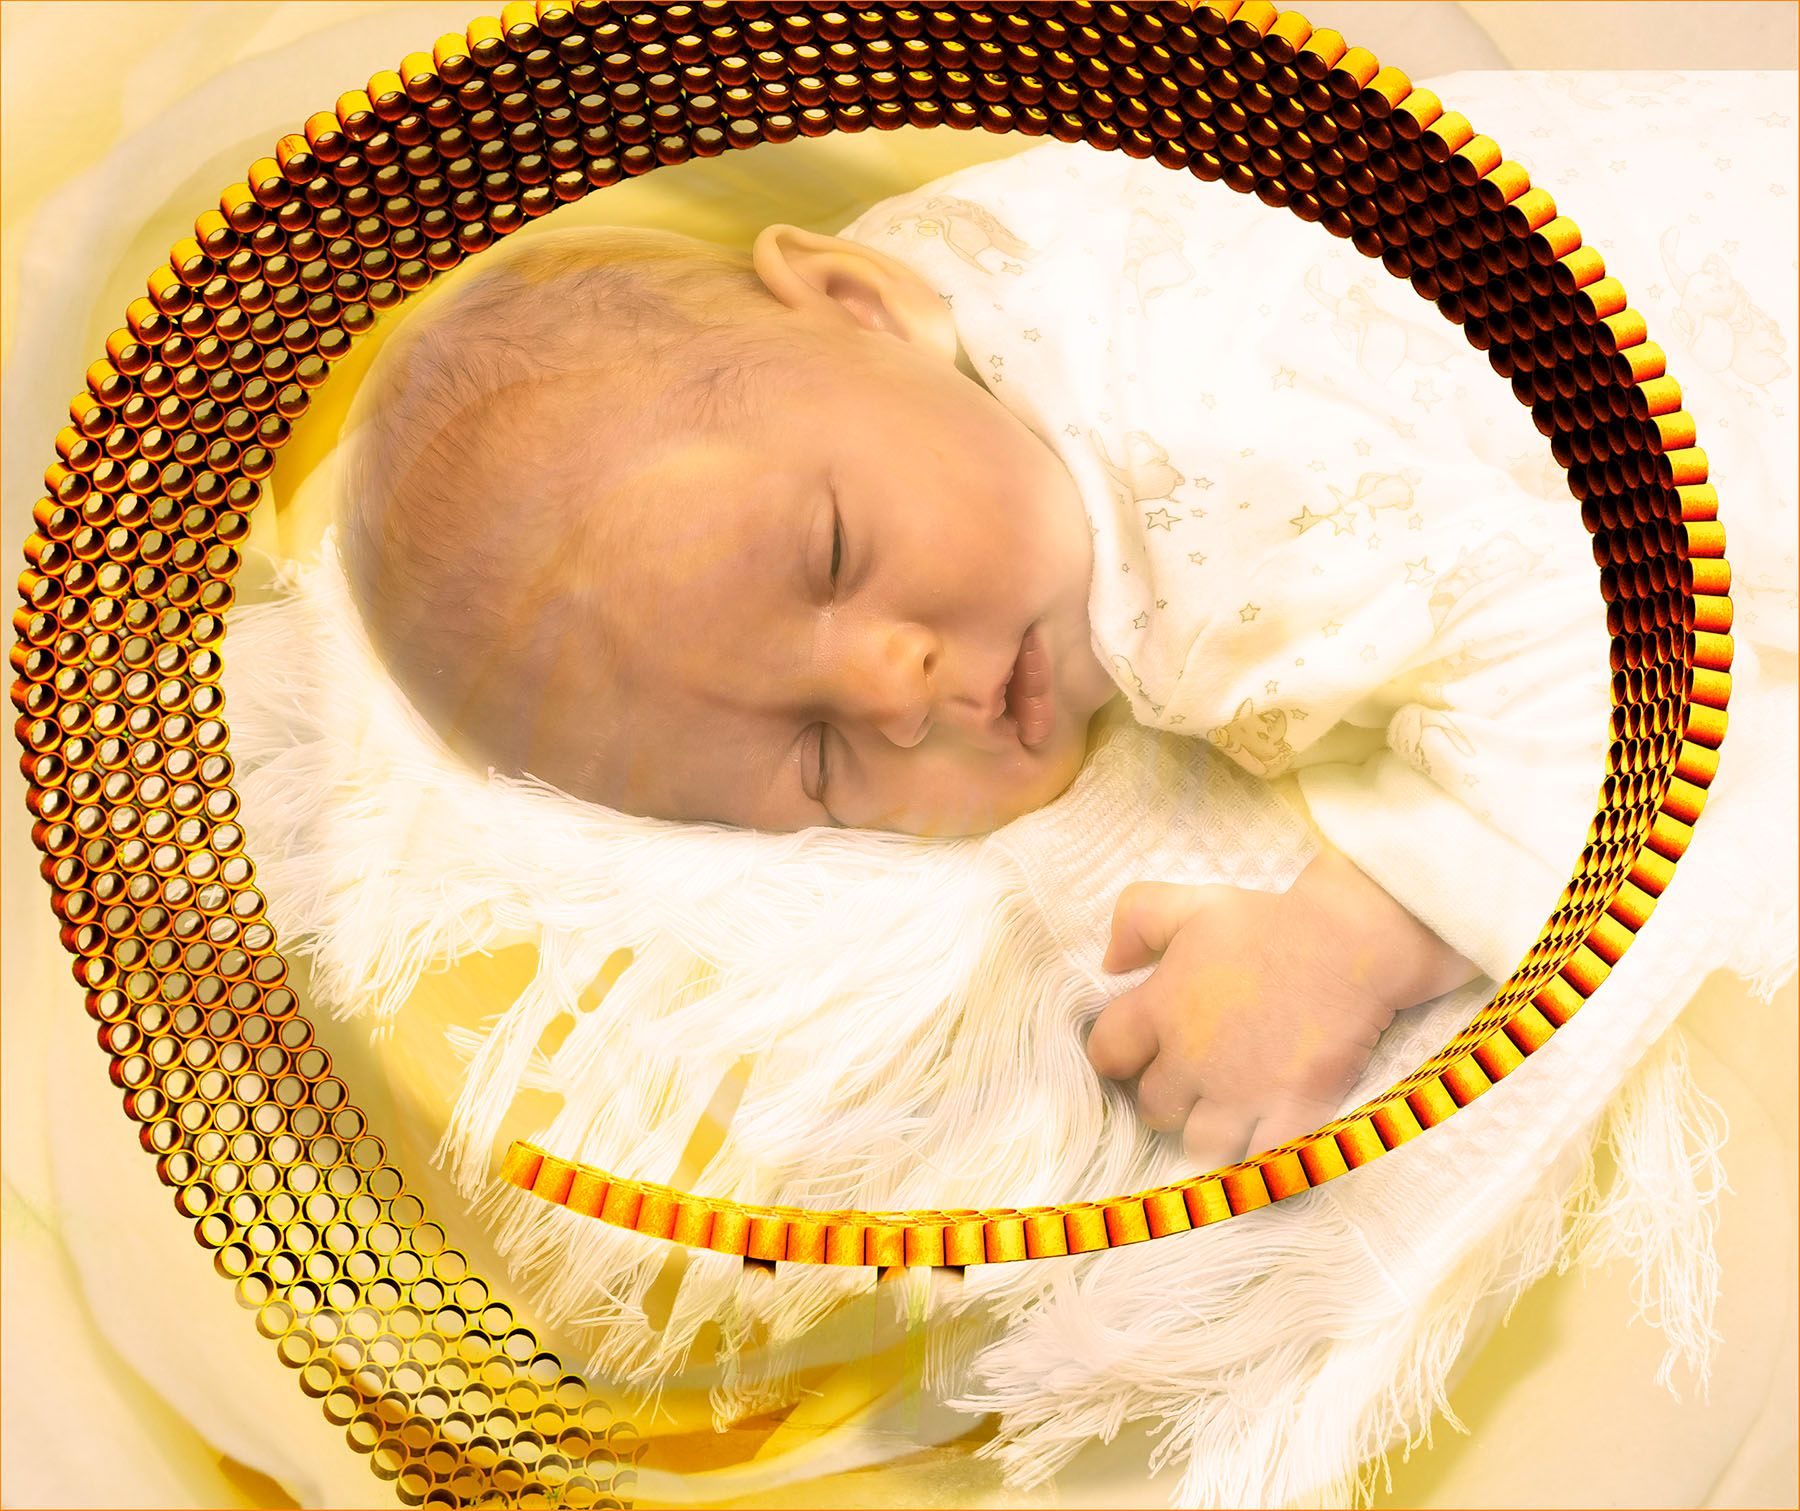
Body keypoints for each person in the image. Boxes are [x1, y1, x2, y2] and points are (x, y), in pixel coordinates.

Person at [336, 146, 1610, 1171]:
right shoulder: (958, 294)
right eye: (819, 760)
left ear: (858, 301)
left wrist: (1346, 942)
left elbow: (1592, 636)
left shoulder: (1203, 488)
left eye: (832, 556)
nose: (892, 691)